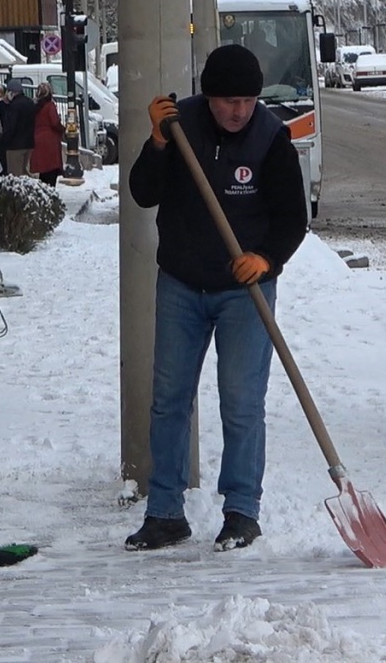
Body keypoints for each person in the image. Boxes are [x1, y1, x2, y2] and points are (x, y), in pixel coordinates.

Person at [124, 43, 307, 553]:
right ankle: (164, 513)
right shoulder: (181, 127)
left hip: (244, 291)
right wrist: (157, 143)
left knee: (243, 404)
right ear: (209, 97)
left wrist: (267, 258)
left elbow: (294, 217)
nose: (238, 111)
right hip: (181, 284)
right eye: (228, 100)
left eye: (247, 100)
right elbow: (143, 191)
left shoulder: (272, 138)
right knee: (169, 403)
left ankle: (242, 512)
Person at [29, 82, 67, 186]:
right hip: (50, 141)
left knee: (43, 171)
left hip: (38, 139)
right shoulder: (50, 106)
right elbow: (54, 122)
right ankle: (51, 194)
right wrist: (63, 129)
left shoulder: (35, 106)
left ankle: (44, 192)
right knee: (51, 170)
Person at [0, 78, 37, 175]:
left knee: (15, 174)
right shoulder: (30, 102)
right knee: (25, 172)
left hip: (14, 146)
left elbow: (10, 126)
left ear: (12, 92)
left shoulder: (14, 106)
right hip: (29, 143)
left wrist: (4, 141)